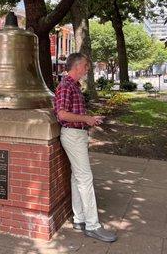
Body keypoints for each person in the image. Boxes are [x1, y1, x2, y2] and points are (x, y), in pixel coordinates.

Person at [54, 53, 117, 243]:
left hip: (77, 135)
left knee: (77, 177)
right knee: (85, 178)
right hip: (73, 136)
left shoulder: (72, 85)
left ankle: (79, 218)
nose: (88, 69)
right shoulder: (66, 86)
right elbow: (62, 114)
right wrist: (87, 119)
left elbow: (71, 113)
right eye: (86, 66)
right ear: (77, 66)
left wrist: (89, 119)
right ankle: (92, 225)